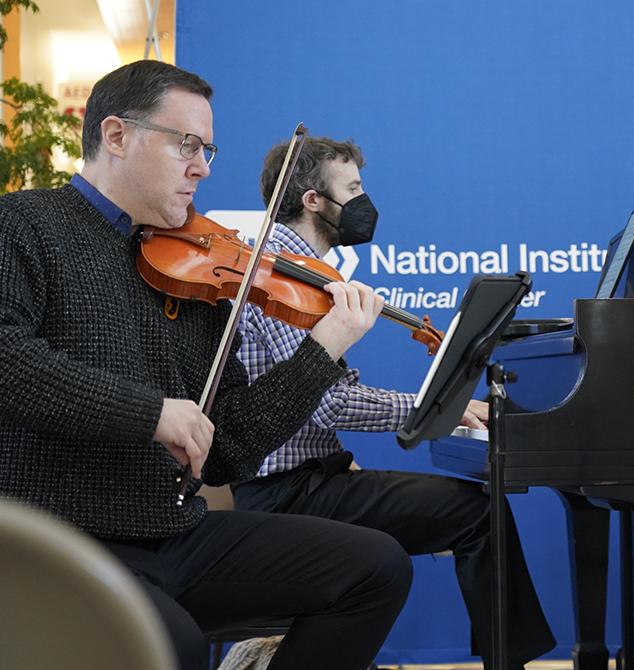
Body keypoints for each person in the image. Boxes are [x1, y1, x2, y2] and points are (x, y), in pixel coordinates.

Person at [0, 60, 415, 670]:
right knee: (175, 645)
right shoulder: (22, 224)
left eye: (208, 150)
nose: (202, 167)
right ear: (116, 136)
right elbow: (8, 362)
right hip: (62, 540)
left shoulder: (195, 268)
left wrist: (321, 351)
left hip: (175, 534)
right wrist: (151, 414)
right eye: (186, 145)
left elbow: (227, 452)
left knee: (376, 568)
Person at [230, 136, 557, 668]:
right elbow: (327, 403)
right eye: (353, 188)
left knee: (475, 511)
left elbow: (303, 403)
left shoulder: (309, 273)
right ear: (313, 199)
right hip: (284, 496)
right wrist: (435, 408)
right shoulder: (282, 277)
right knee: (478, 513)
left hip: (310, 477)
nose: (364, 201)